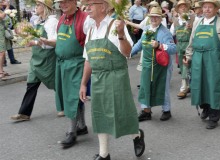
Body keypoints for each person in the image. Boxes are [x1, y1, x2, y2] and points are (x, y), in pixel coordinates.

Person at [79, 0, 145, 159]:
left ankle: (136, 135)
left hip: (116, 75)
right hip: (98, 78)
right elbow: (88, 60)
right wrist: (83, 83)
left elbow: (128, 53)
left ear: (102, 6)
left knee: (122, 112)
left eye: (91, 4)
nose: (87, 8)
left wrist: (121, 35)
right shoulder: (90, 31)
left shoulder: (116, 25)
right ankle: (104, 154)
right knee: (99, 114)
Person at [184, 0, 220, 129]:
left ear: (216, 9)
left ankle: (214, 116)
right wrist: (188, 56)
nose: (207, 9)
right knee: (199, 84)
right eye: (205, 7)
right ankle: (205, 108)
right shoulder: (197, 21)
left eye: (210, 7)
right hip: (198, 58)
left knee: (214, 86)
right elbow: (192, 41)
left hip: (214, 59)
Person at [10, 0, 59, 121]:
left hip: (47, 59)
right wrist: (23, 35)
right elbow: (33, 37)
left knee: (56, 85)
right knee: (31, 84)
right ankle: (24, 113)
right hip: (36, 59)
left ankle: (67, 105)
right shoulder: (37, 20)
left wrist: (35, 43)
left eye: (38, 5)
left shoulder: (52, 21)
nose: (35, 7)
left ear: (45, 7)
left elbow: (53, 42)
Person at [54, 0, 91, 148]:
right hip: (63, 64)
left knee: (72, 98)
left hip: (77, 64)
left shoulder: (84, 19)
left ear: (74, 2)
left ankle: (72, 132)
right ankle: (81, 126)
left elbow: (90, 44)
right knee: (74, 97)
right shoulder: (62, 19)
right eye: (60, 3)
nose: (62, 5)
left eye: (65, 2)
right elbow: (58, 41)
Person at [131, 7, 176, 122]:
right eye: (152, 17)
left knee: (162, 87)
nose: (154, 19)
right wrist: (129, 53)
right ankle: (146, 111)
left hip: (161, 66)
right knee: (145, 87)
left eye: (156, 17)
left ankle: (166, 110)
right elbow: (140, 44)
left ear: (161, 19)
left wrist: (160, 45)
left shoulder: (165, 32)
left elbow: (173, 48)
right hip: (147, 64)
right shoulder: (146, 29)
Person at [170, 0, 195, 99]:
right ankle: (189, 85)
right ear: (178, 9)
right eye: (181, 7)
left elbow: (198, 30)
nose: (183, 8)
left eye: (185, 6)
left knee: (186, 65)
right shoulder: (175, 21)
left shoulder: (193, 19)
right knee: (182, 66)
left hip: (190, 45)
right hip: (179, 46)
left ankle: (183, 88)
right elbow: (171, 34)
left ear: (188, 8)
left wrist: (192, 27)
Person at [0, 0, 11, 79]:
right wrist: (7, 7)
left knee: (3, 53)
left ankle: (2, 70)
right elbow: (1, 17)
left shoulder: (1, 10)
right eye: (1, 2)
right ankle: (0, 71)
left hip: (2, 33)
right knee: (1, 53)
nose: (2, 3)